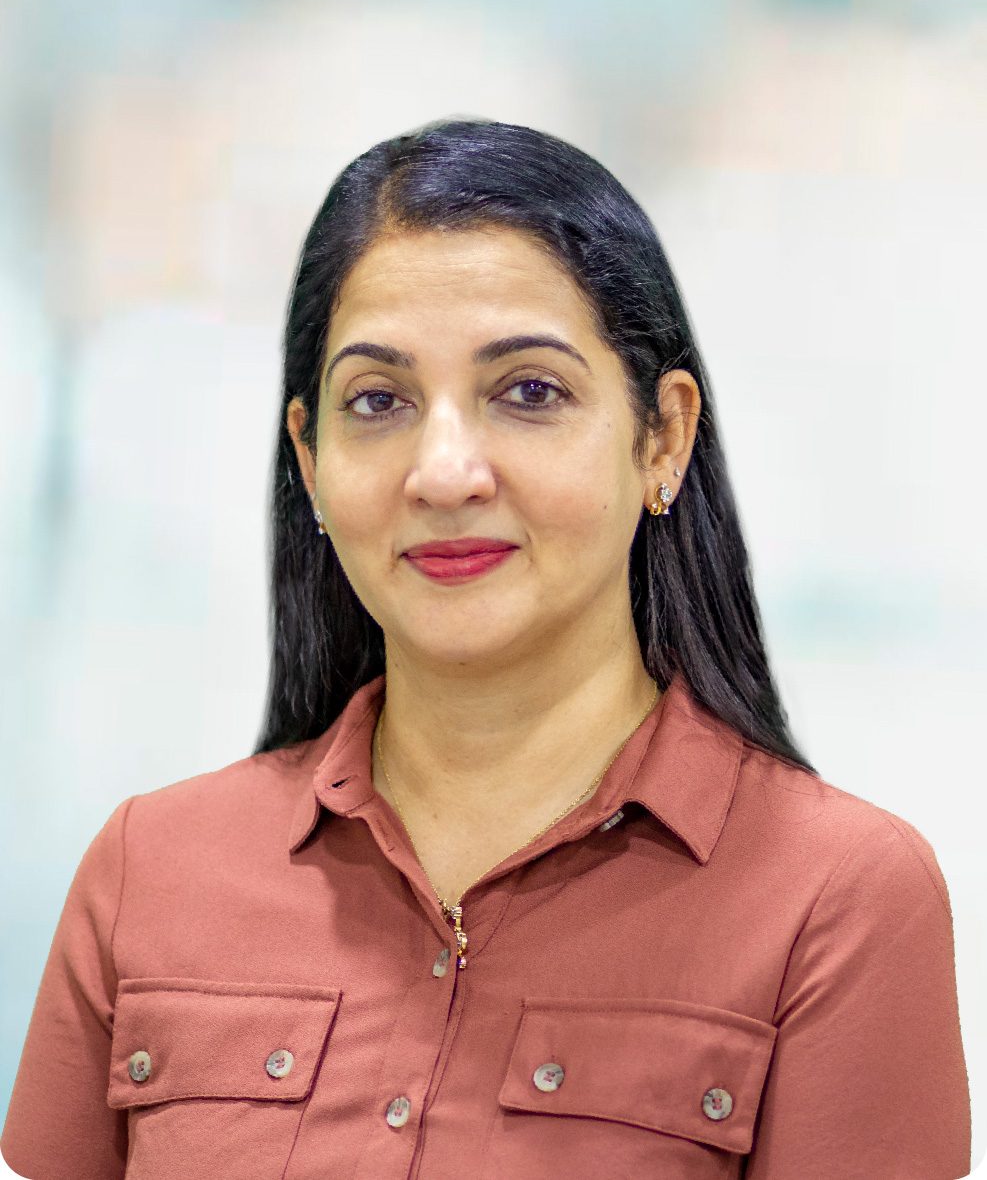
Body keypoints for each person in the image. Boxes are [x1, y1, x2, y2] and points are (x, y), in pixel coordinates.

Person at [1, 120, 971, 1180]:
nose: (445, 472)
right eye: (378, 402)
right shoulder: (148, 869)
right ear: (310, 461)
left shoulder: (836, 898)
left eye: (529, 392)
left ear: (663, 435)